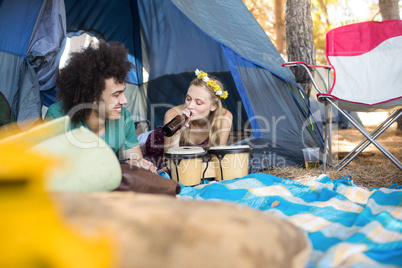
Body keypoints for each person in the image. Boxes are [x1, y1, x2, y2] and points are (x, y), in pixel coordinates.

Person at [45, 40, 157, 173]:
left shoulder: (124, 117)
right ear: (93, 97)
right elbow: (54, 171)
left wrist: (143, 167)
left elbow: (136, 165)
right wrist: (122, 165)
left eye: (123, 91)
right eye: (117, 95)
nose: (125, 100)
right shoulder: (58, 116)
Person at [144, 69, 233, 169]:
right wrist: (176, 135)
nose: (190, 106)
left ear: (214, 106)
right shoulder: (173, 115)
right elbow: (169, 164)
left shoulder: (224, 118)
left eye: (198, 103)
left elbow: (217, 162)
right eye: (188, 99)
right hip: (159, 141)